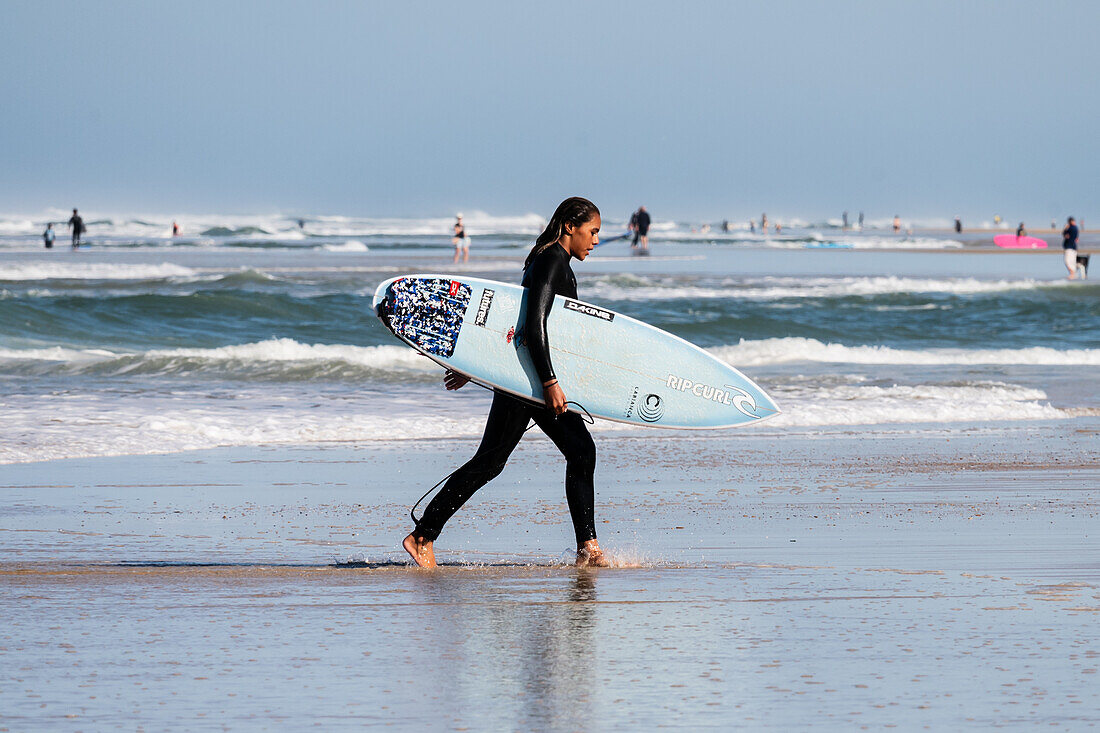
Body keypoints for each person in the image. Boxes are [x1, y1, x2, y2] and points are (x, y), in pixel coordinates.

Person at [403, 197, 607, 569]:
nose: (594, 240)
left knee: (501, 461)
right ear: (569, 227)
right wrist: (549, 382)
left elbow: (506, 321)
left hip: (522, 376)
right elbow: (533, 325)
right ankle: (422, 537)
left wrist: (476, 364)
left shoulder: (551, 260)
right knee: (575, 452)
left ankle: (588, 548)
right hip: (527, 381)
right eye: (592, 232)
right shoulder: (551, 262)